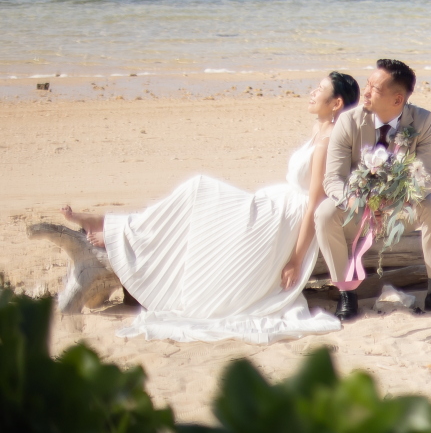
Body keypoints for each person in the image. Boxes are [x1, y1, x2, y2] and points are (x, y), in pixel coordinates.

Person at [59, 72, 360, 343]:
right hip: (275, 205)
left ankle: (115, 228)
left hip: (286, 217)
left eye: (320, 89)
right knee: (197, 196)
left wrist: (295, 259)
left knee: (199, 188)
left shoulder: (328, 140)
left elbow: (314, 203)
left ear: (336, 104)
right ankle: (116, 227)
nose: (312, 92)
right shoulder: (318, 128)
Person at [315, 58, 431, 320]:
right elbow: (332, 179)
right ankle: (346, 293)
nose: (365, 92)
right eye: (367, 85)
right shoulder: (349, 121)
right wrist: (361, 203)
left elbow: (426, 176)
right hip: (356, 210)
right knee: (324, 212)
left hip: (400, 210)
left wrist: (393, 202)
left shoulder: (423, 121)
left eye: (375, 89)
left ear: (397, 99)